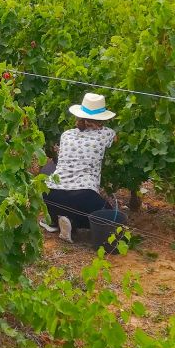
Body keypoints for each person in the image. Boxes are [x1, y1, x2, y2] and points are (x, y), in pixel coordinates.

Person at [39, 93, 117, 242]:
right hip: (83, 195)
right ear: (103, 119)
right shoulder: (106, 133)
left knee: (51, 168)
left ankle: (56, 220)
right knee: (107, 217)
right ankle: (74, 223)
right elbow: (116, 139)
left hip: (52, 193)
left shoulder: (66, 134)